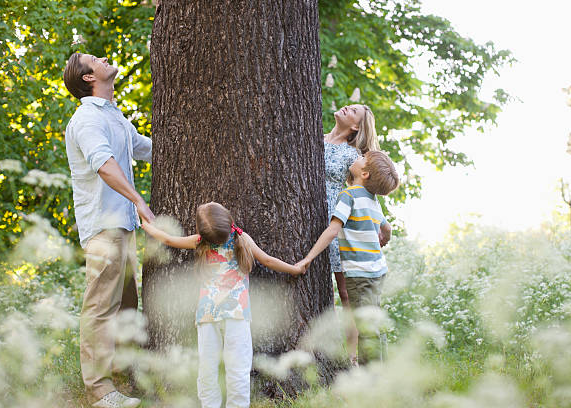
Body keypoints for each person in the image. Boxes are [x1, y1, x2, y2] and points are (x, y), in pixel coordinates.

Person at [141, 202, 305, 408]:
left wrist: (147, 225)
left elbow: (167, 239)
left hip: (207, 316)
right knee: (238, 370)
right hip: (237, 314)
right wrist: (295, 269)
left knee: (207, 369)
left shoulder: (200, 242)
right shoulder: (242, 239)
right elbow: (269, 261)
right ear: (229, 220)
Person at [63, 52, 153, 408]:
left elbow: (144, 148)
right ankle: (99, 392)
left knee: (126, 305)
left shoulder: (113, 115)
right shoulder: (86, 118)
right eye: (93, 59)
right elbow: (104, 165)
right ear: (87, 77)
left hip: (123, 225)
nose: (102, 57)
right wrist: (138, 201)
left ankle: (125, 376)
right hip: (104, 224)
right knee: (101, 306)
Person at [298, 151, 399, 365]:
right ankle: (383, 368)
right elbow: (387, 227)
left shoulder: (349, 195)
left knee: (366, 326)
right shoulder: (371, 200)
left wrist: (309, 257)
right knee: (374, 319)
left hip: (359, 273)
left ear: (364, 174)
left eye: (363, 159)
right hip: (378, 270)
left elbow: (333, 230)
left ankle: (369, 376)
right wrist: (384, 238)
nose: (358, 157)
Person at [323, 104, 380, 362]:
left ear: (356, 126)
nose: (346, 107)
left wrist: (383, 222)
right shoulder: (313, 138)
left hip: (335, 220)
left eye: (353, 111)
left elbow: (368, 188)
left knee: (345, 293)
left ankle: (353, 358)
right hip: (308, 215)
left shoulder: (353, 155)